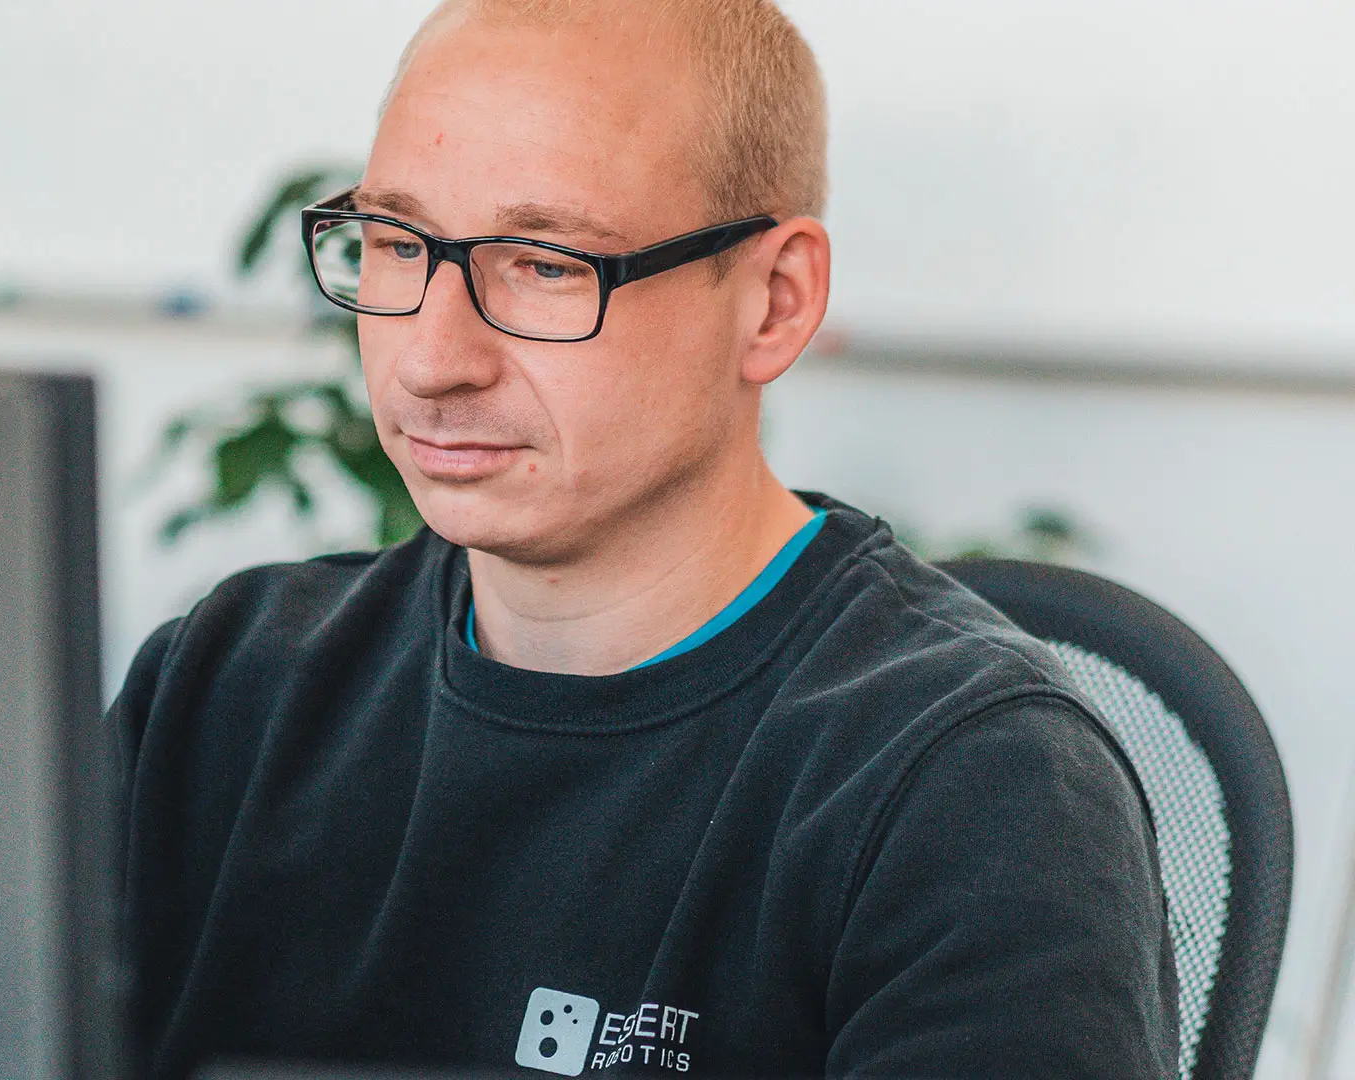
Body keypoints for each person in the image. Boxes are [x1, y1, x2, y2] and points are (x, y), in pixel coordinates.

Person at [110, 1, 1178, 1077]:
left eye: (545, 263)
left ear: (773, 302)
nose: (433, 360)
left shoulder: (975, 787)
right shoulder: (222, 687)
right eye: (396, 245)